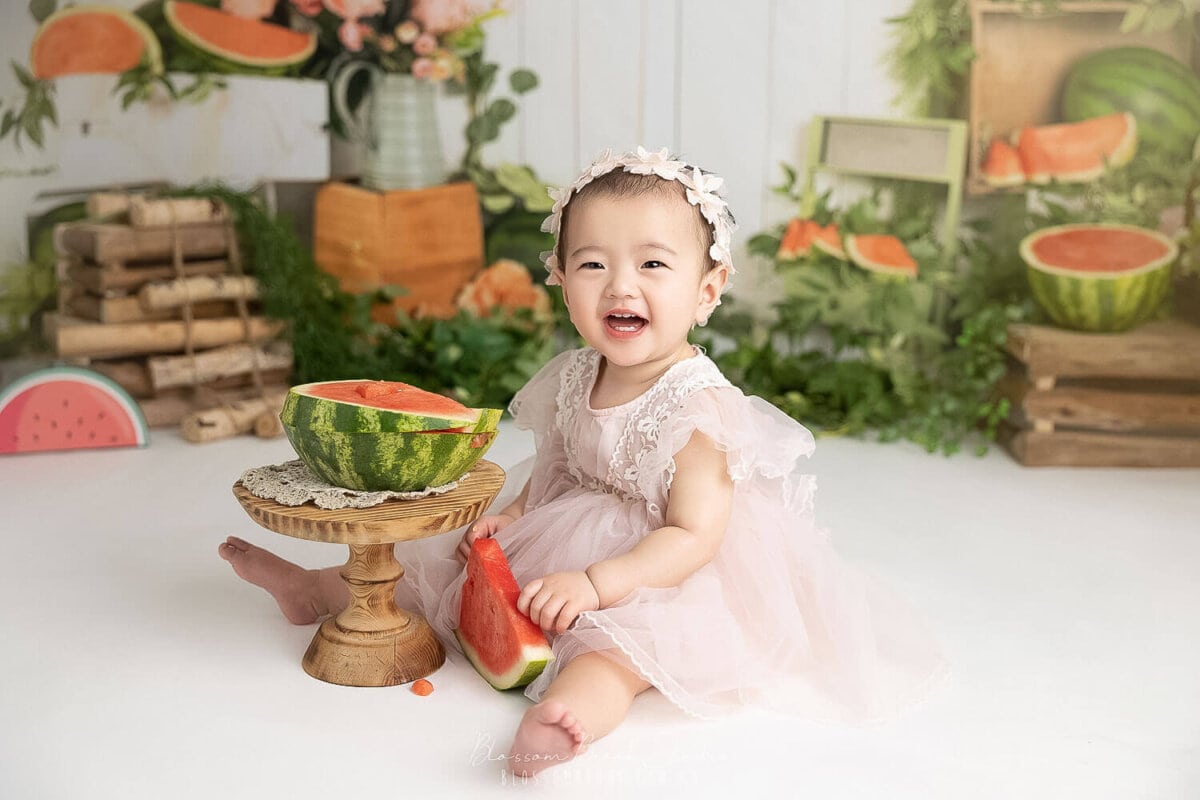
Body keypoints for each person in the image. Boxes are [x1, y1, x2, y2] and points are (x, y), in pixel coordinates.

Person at [219, 146, 948, 779]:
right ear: (561, 281)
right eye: (593, 264)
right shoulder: (575, 375)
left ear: (707, 290)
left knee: (618, 655)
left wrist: (600, 583)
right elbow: (559, 467)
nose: (621, 286)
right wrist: (516, 513)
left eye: (653, 264)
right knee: (432, 563)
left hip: (664, 568)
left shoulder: (699, 409)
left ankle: (568, 720)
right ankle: (317, 591)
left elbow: (695, 535)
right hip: (574, 534)